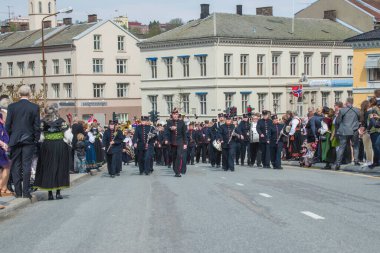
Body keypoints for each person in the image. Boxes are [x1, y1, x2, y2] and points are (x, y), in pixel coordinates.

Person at [5, 85, 40, 199]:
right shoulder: (34, 107)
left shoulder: (12, 107)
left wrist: (10, 138)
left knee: (15, 165)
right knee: (26, 165)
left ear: (19, 94)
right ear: (29, 94)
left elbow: (8, 125)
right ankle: (26, 192)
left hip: (14, 139)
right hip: (29, 139)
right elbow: (36, 126)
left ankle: (18, 192)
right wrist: (36, 139)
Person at [34, 105, 73, 200]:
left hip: (47, 146)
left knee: (48, 168)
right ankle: (58, 193)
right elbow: (68, 136)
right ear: (56, 112)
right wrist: (66, 141)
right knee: (59, 167)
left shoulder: (43, 122)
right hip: (59, 146)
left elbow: (41, 137)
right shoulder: (61, 121)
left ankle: (50, 193)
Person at [334, 97, 361, 170]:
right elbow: (360, 119)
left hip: (344, 131)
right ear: (352, 102)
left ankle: (338, 163)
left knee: (341, 147)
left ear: (347, 102)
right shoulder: (357, 110)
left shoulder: (342, 110)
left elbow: (338, 121)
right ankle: (356, 161)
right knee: (355, 146)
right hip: (354, 131)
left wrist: (337, 131)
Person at [164, 108, 187, 177]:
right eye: (174, 114)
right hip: (172, 142)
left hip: (180, 141)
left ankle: (178, 172)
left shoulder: (182, 122)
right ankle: (175, 168)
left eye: (176, 114)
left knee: (179, 156)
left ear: (178, 115)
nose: (175, 116)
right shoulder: (169, 122)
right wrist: (166, 139)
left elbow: (184, 134)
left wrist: (185, 143)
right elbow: (166, 132)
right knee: (174, 156)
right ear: (172, 115)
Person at [0, 97, 12, 198]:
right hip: (2, 146)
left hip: (4, 145)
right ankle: (3, 188)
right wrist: (3, 144)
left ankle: (4, 188)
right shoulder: (4, 113)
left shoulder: (2, 114)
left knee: (6, 166)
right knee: (6, 166)